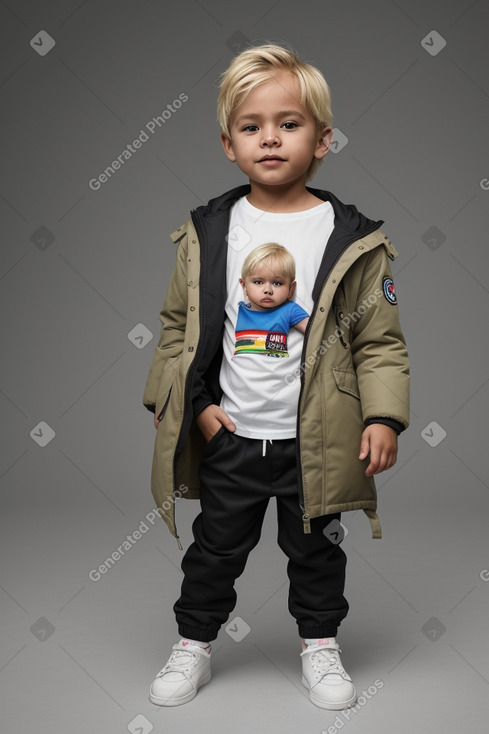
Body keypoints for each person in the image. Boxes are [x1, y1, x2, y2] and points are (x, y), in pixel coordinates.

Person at [142, 43, 410, 711]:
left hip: (313, 444)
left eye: (289, 123)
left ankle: (320, 646)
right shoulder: (208, 231)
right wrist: (184, 404)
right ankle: (192, 646)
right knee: (214, 551)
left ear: (323, 139)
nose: (269, 138)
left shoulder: (354, 239)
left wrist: (382, 416)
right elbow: (177, 328)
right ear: (227, 143)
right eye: (250, 125)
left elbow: (379, 342)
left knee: (317, 555)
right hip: (232, 437)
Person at [235, 242, 309, 359]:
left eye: (277, 283)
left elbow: (317, 332)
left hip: (280, 376)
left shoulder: (289, 310)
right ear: (244, 286)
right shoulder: (239, 309)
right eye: (258, 282)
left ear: (291, 289)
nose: (268, 290)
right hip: (238, 376)